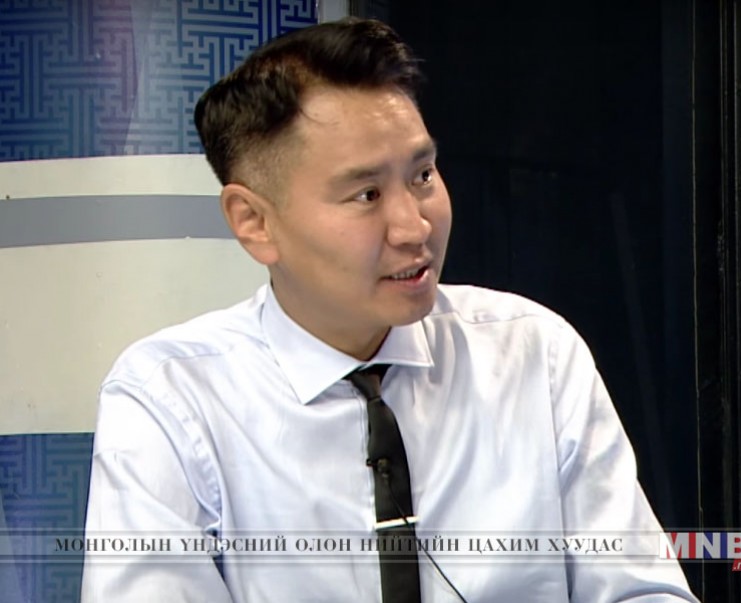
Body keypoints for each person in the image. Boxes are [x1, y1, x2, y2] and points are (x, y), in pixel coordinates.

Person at [81, 17, 698, 602]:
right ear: (254, 222)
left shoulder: (534, 354)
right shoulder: (171, 396)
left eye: (423, 175)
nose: (414, 226)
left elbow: (641, 589)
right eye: (367, 193)